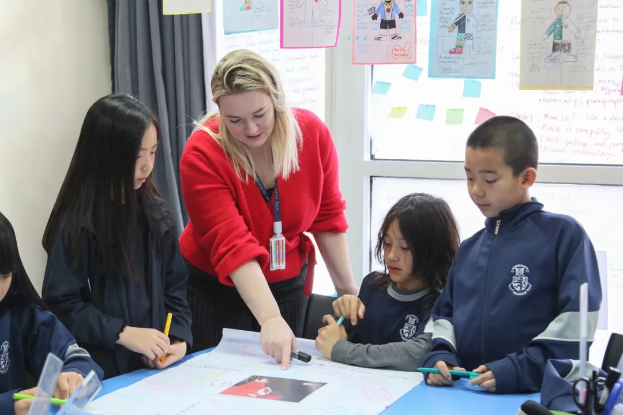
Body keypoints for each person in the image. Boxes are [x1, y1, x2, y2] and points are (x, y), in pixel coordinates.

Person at [180, 49, 358, 367]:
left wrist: (347, 291)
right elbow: (231, 244)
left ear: (276, 99)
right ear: (219, 111)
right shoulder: (202, 153)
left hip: (286, 281)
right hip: (215, 287)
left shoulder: (311, 134)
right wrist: (270, 318)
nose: (250, 129)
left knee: (283, 377)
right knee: (219, 379)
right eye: (234, 120)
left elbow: (327, 216)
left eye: (259, 114)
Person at [421, 116, 602, 394]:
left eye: (489, 179)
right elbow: (443, 317)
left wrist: (518, 370)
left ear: (526, 178)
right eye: (469, 177)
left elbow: (577, 325)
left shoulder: (563, 235)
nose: (476, 190)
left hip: (535, 396)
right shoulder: (469, 249)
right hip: (466, 394)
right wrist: (440, 356)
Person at [41, 94, 193, 379]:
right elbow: (62, 304)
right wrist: (122, 333)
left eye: (153, 152)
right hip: (102, 370)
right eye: (137, 155)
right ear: (105, 156)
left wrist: (177, 338)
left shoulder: (157, 213)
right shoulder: (77, 224)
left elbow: (176, 285)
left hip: (155, 368)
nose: (148, 166)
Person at [315, 194, 460, 371]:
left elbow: (419, 353)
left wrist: (342, 350)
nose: (391, 256)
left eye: (404, 248)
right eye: (387, 243)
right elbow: (338, 339)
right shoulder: (372, 285)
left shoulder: (442, 299)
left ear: (433, 250)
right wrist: (343, 316)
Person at [0, 212, 103, 415]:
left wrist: (74, 374)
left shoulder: (22, 316)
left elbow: (76, 357)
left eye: (5, 275)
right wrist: (7, 406)